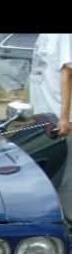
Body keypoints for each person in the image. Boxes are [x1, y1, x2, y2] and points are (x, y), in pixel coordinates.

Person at [29, 33, 72, 223]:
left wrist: (64, 117)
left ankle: (66, 226)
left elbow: (68, 72)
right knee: (50, 175)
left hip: (60, 120)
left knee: (66, 181)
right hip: (45, 117)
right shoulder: (45, 36)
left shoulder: (64, 36)